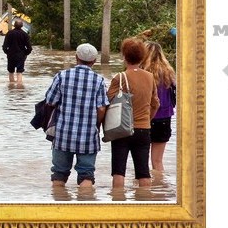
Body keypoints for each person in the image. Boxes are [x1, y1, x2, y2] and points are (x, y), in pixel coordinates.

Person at [44, 43, 109, 188]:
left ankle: (58, 205)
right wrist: (95, 125)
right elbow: (102, 109)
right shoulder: (99, 80)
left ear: (76, 58)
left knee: (59, 174)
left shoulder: (62, 76)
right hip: (88, 136)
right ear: (94, 61)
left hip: (63, 135)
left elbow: (50, 101)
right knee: (86, 174)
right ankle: (85, 205)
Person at [107, 37, 160, 188]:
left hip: (122, 129)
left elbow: (108, 102)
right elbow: (156, 104)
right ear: (142, 56)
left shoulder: (120, 77)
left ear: (124, 56)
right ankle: (145, 202)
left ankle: (118, 203)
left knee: (119, 171)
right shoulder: (150, 77)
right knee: (143, 172)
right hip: (144, 130)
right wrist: (147, 120)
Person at [140, 41, 176, 172]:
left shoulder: (142, 72)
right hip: (164, 118)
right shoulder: (169, 71)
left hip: (145, 117)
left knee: (141, 161)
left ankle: (142, 190)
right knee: (158, 161)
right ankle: (160, 188)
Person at [2, 18, 33, 84]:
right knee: (19, 72)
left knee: (11, 72)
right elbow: (29, 48)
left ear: (14, 25)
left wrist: (8, 53)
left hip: (11, 55)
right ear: (22, 26)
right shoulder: (24, 34)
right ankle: (19, 88)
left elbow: (4, 47)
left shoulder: (9, 33)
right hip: (21, 55)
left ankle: (11, 88)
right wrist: (25, 53)